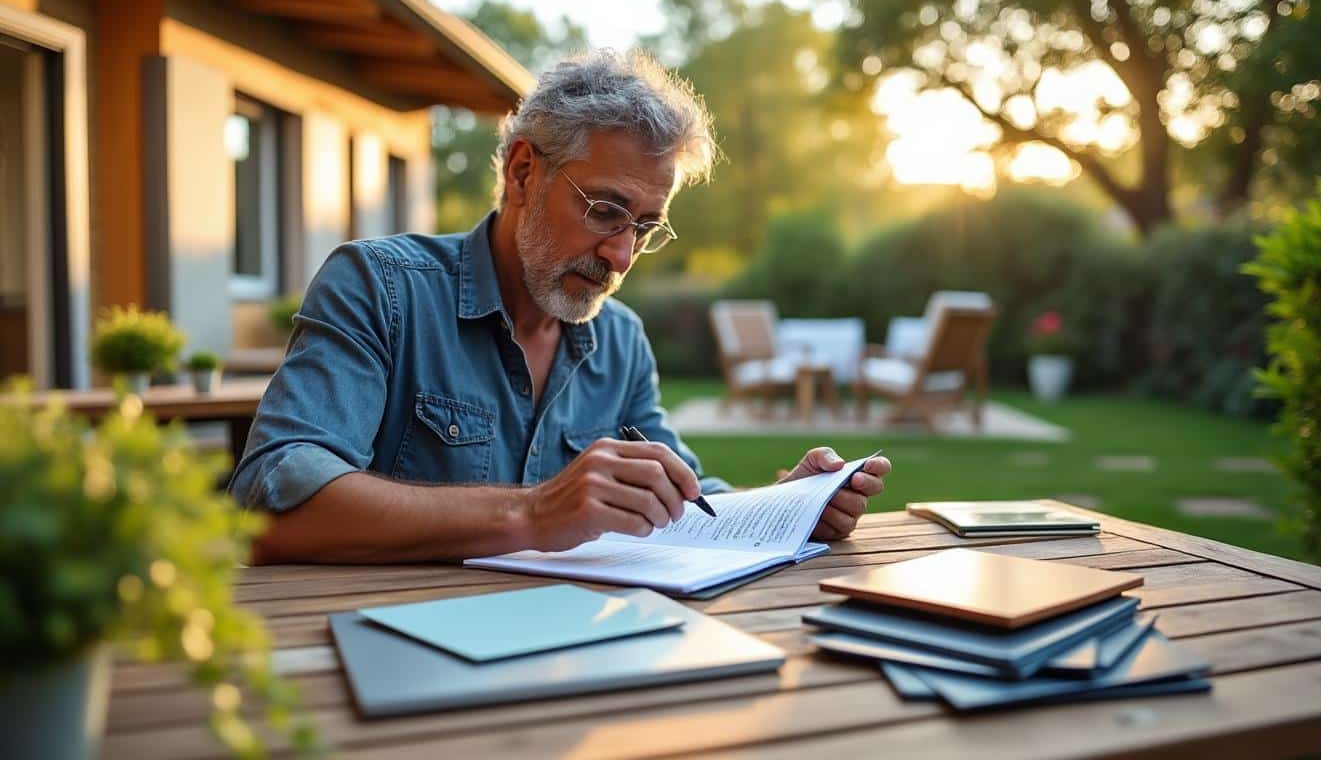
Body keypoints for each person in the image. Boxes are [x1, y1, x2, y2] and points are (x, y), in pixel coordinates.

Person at [230, 50, 892, 564]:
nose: (622, 256)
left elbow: (683, 497)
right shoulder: (378, 288)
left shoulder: (621, 340)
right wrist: (535, 512)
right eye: (605, 211)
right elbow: (270, 505)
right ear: (523, 172)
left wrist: (786, 506)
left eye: (644, 226)